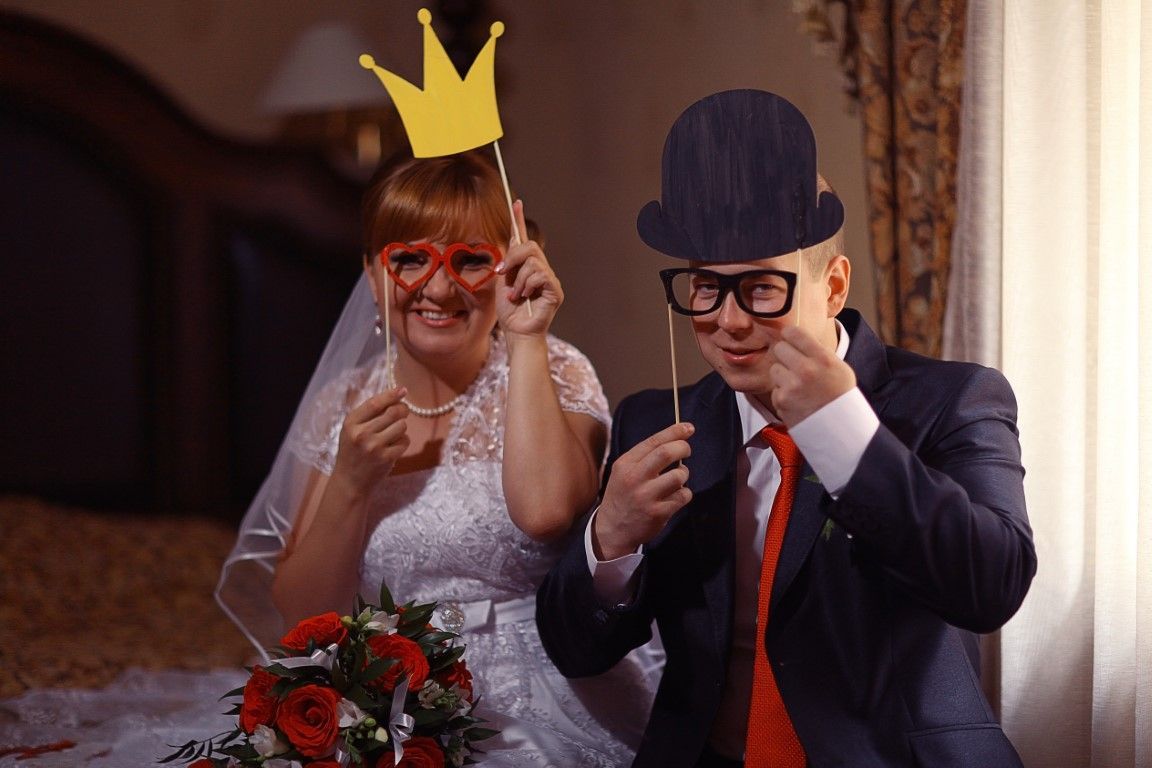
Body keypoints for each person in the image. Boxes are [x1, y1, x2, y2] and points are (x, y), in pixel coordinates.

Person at [536, 89, 1036, 768]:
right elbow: (575, 648)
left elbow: (991, 588)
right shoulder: (656, 420)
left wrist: (844, 432)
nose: (729, 320)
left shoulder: (953, 399)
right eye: (705, 287)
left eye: (762, 288)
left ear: (832, 286)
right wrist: (610, 540)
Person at [217, 148, 656, 767]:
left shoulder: (556, 369)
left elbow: (548, 513)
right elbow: (304, 616)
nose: (440, 286)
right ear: (373, 275)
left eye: (470, 260)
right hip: (392, 706)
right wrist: (350, 482)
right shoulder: (341, 402)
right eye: (410, 260)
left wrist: (526, 337)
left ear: (507, 270)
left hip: (552, 692)